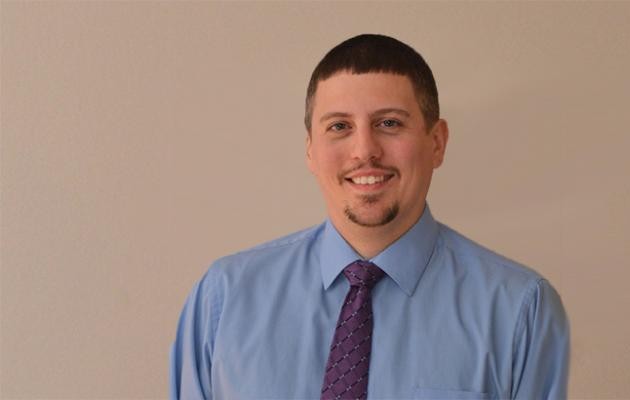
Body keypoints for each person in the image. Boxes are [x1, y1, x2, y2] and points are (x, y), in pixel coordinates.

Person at [170, 33, 569, 400]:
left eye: (389, 123)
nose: (365, 150)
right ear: (310, 149)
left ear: (437, 142)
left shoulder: (520, 309)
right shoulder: (222, 299)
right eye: (340, 126)